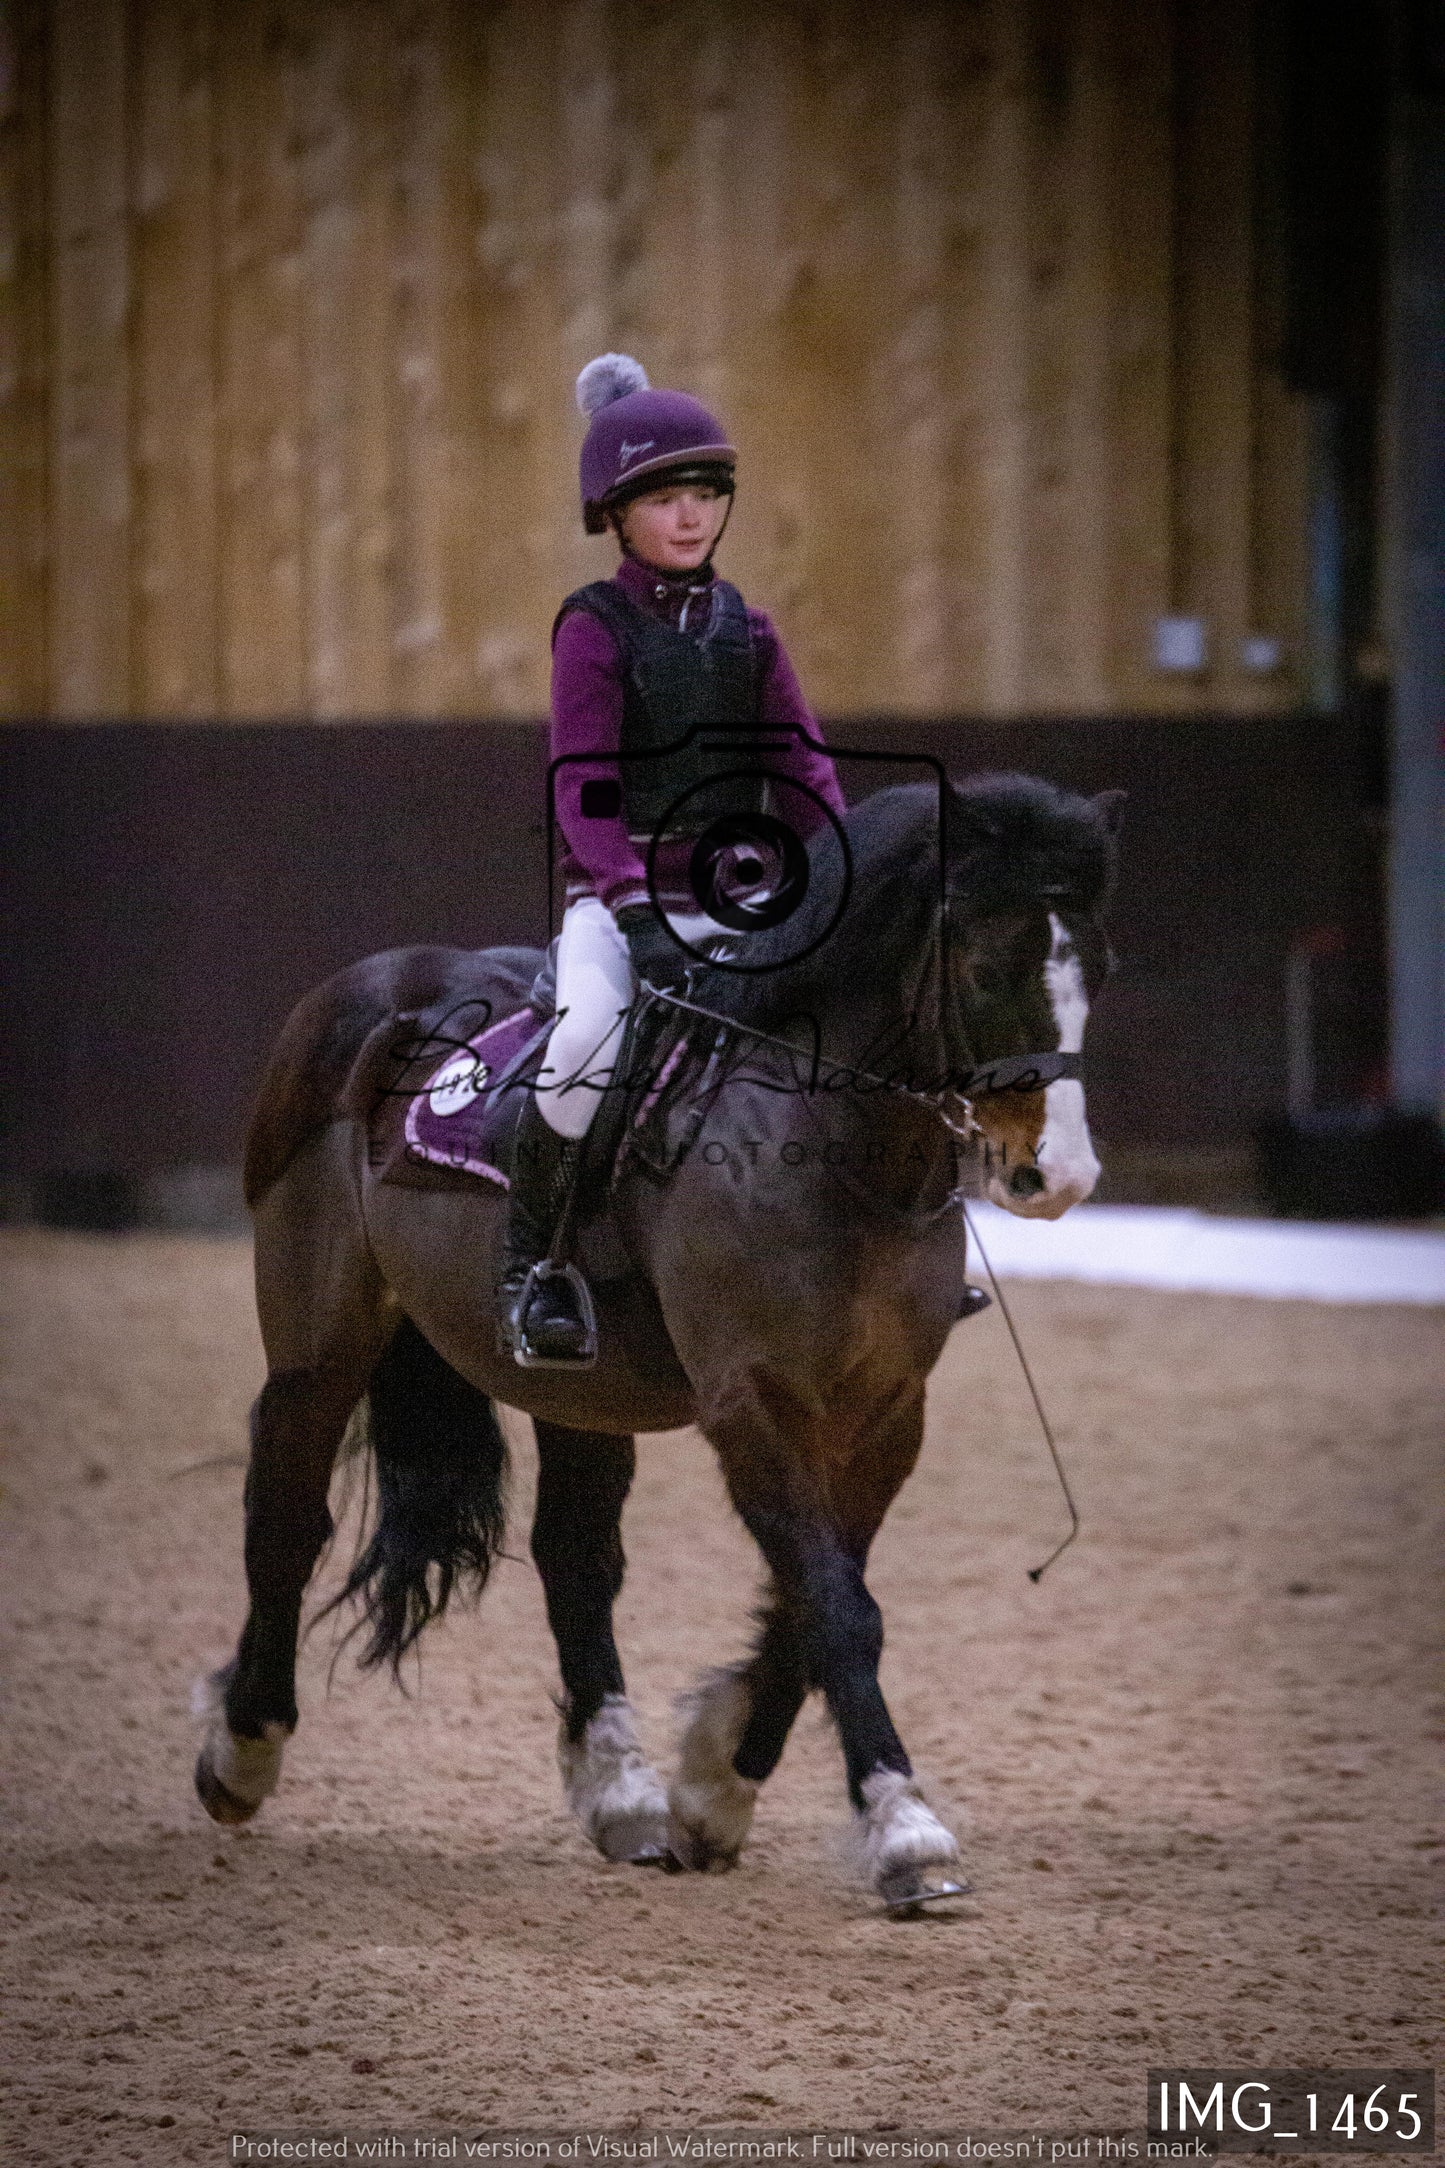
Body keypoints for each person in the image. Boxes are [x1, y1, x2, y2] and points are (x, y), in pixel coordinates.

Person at [497, 352, 848, 1366]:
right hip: (622, 902)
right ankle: (535, 1270)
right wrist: (632, 904)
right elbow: (584, 784)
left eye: (703, 496)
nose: (689, 519)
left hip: (744, 891)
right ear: (614, 511)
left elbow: (805, 768)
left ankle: (879, 1246)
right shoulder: (592, 629)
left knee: (859, 1025)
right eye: (664, 500)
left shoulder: (751, 629)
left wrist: (838, 872)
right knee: (580, 1054)